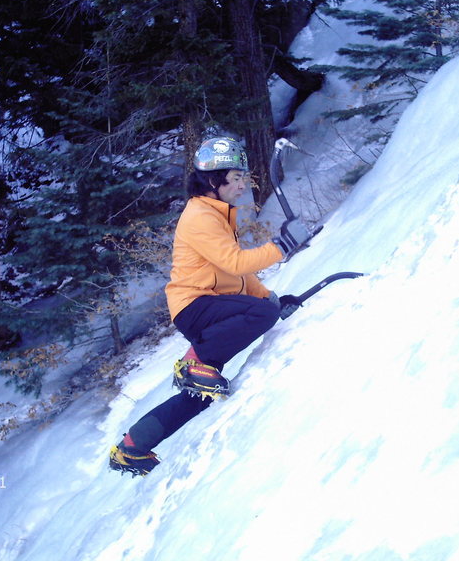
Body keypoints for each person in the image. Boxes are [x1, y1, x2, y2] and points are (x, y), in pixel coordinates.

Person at [109, 136, 310, 476]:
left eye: (243, 177)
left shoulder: (217, 215)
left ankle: (131, 448)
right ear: (213, 180)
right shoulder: (200, 216)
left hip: (212, 307)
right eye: (235, 178)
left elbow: (239, 282)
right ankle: (192, 363)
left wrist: (272, 300)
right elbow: (235, 263)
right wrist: (283, 246)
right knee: (260, 315)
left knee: (199, 397)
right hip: (195, 306)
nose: (242, 184)